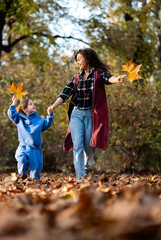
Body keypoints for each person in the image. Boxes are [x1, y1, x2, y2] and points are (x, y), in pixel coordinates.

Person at [47, 48, 126, 180]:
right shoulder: (76, 78)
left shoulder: (98, 74)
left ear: (87, 59)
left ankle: (89, 154)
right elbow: (64, 93)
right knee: (77, 146)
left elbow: (109, 78)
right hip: (76, 114)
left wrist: (117, 79)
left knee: (88, 145)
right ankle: (80, 178)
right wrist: (53, 106)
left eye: (79, 59)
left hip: (91, 114)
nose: (77, 63)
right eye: (76, 60)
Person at [8, 95, 54, 180]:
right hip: (23, 147)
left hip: (35, 149)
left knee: (35, 169)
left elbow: (46, 124)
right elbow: (11, 114)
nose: (33, 105)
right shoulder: (19, 118)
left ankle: (34, 183)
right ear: (24, 109)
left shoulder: (39, 119)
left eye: (33, 103)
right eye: (30, 104)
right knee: (22, 160)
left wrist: (50, 115)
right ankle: (22, 176)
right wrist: (14, 104)